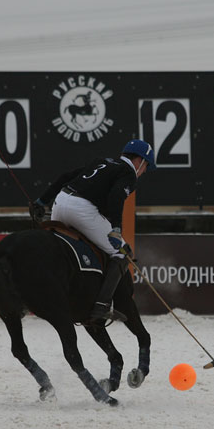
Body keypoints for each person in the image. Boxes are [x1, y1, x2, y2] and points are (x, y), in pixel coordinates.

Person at [31, 139, 155, 324]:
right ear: (140, 161)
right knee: (122, 252)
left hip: (60, 203)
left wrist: (41, 201)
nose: (144, 172)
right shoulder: (128, 172)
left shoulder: (101, 161)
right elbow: (116, 197)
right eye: (146, 167)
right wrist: (116, 229)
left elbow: (66, 176)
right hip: (81, 210)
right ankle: (102, 306)